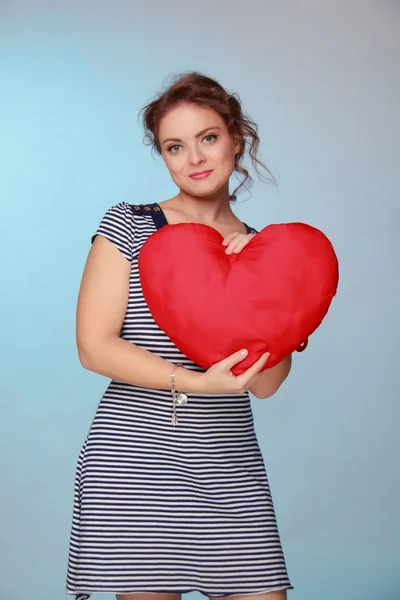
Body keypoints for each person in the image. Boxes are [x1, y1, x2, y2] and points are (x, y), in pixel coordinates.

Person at [65, 71, 293, 600]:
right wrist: (199, 383)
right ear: (163, 156)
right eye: (175, 146)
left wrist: (259, 294)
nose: (195, 158)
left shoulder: (267, 251)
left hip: (227, 463)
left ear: (236, 138)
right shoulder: (130, 225)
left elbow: (266, 383)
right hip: (134, 465)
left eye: (208, 138)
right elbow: (93, 347)